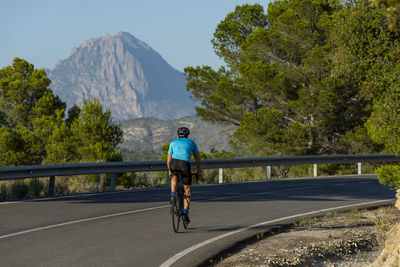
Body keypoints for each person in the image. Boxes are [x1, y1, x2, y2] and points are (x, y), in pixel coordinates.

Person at [167, 127, 201, 224]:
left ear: (178, 135)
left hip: (174, 163)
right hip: (184, 165)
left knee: (174, 177)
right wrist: (198, 170)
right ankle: (185, 213)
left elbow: (168, 159)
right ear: (188, 135)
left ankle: (173, 194)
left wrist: (170, 170)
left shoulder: (172, 143)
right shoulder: (192, 143)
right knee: (187, 190)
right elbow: (197, 159)